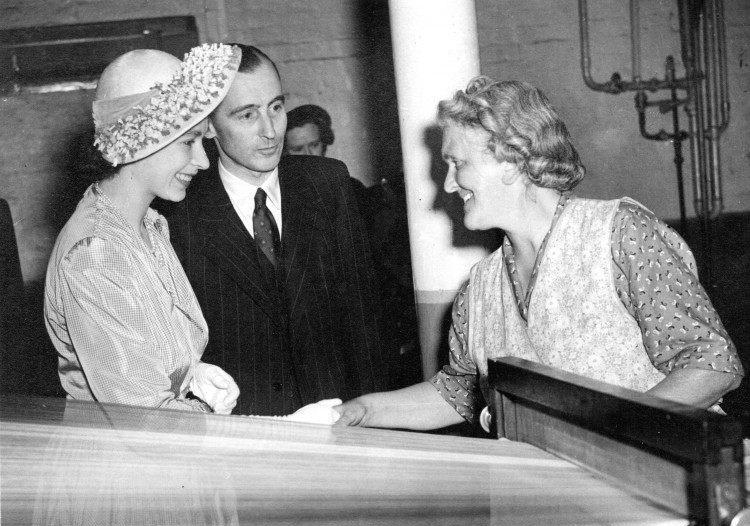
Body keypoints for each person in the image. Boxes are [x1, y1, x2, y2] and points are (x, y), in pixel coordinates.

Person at [334, 77, 744, 431]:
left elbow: (712, 364)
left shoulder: (620, 234)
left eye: (457, 163)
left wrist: (603, 433)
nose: (448, 185)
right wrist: (362, 410)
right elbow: (456, 392)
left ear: (511, 160)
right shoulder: (479, 288)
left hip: (677, 489)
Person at [163, 44, 387, 416]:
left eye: (276, 107)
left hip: (337, 420)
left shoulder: (328, 183)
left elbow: (364, 321)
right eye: (247, 115)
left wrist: (375, 424)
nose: (270, 131)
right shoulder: (177, 213)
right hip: (242, 434)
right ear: (209, 126)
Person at [44, 44, 242, 415]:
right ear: (138, 140)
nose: (201, 161)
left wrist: (189, 375)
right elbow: (147, 420)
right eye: (189, 142)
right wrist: (277, 428)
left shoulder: (149, 226)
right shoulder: (94, 253)